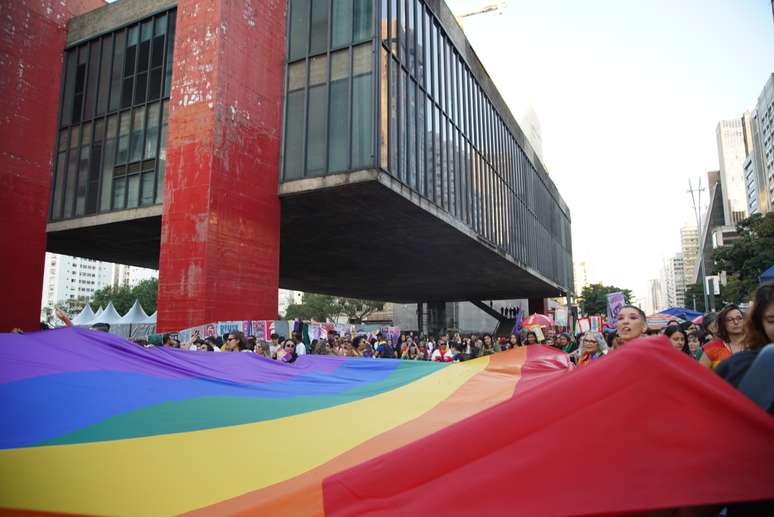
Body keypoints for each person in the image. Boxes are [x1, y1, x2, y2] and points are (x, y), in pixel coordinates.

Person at [715, 283, 774, 388]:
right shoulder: (735, 369)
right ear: (759, 323)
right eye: (772, 320)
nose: (736, 322)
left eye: (739, 318)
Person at [700, 304, 746, 369]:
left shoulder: (755, 345)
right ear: (723, 323)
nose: (736, 322)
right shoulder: (711, 348)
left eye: (739, 318)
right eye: (730, 319)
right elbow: (699, 376)